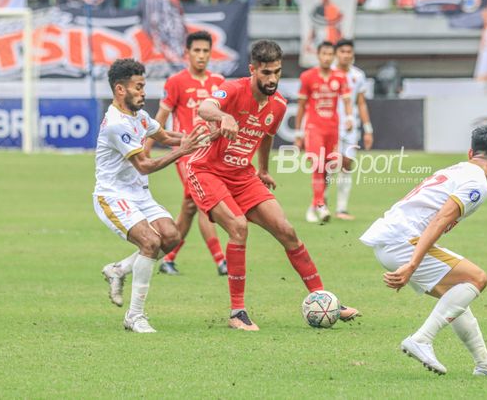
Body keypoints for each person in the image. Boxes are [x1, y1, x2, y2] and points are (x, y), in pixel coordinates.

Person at [187, 40, 359, 331]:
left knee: (287, 231)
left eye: (276, 72)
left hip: (243, 175)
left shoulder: (278, 104)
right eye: (266, 73)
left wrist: (263, 170)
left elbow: (266, 136)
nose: (272, 79)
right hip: (207, 172)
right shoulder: (233, 89)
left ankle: (323, 298)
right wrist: (224, 115)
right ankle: (237, 313)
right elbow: (206, 107)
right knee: (238, 228)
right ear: (253, 69)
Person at [360, 125, 487, 376]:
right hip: (403, 241)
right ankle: (422, 339)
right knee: (477, 279)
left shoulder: (456, 169)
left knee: (455, 296)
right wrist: (412, 265)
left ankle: (485, 364)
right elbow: (440, 219)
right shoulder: (477, 184)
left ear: (471, 152)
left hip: (390, 238)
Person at [95, 58, 208, 333]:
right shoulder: (115, 124)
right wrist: (184, 151)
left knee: (171, 237)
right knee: (150, 242)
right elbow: (145, 164)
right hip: (113, 196)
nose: (144, 92)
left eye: (144, 86)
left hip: (139, 195)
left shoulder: (140, 117)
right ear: (120, 90)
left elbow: (166, 136)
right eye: (139, 87)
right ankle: (135, 316)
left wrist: (203, 137)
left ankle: (119, 269)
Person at [147, 31, 226, 277]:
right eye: (197, 51)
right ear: (187, 53)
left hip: (211, 154)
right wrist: (144, 153)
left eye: (205, 51)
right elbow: (158, 121)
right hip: (186, 154)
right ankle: (221, 261)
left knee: (190, 207)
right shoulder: (176, 82)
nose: (201, 56)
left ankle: (167, 258)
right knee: (205, 204)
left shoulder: (219, 82)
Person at [294, 41, 352, 224]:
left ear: (333, 57)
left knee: (328, 168)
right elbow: (301, 106)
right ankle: (321, 205)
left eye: (330, 54)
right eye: (324, 54)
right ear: (318, 56)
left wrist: (349, 117)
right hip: (314, 128)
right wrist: (298, 133)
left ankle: (314, 205)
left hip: (332, 129)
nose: (327, 58)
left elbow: (347, 100)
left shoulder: (340, 76)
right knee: (318, 164)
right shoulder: (307, 77)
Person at [332, 38, 374, 221]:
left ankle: (341, 208)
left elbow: (361, 103)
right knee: (330, 164)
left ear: (353, 54)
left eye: (349, 52)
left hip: (350, 128)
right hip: (330, 125)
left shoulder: (358, 75)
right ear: (336, 54)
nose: (346, 55)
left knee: (347, 164)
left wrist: (368, 129)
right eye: (342, 52)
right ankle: (319, 203)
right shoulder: (329, 73)